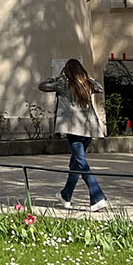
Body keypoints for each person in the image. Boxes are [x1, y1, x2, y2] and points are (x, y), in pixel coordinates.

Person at [40, 59, 109, 212]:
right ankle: (66, 195)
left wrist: (56, 78)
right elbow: (99, 88)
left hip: (74, 129)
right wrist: (88, 78)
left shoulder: (63, 83)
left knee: (81, 163)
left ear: (67, 70)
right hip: (89, 129)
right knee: (76, 164)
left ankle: (97, 197)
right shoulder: (86, 84)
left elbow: (43, 86)